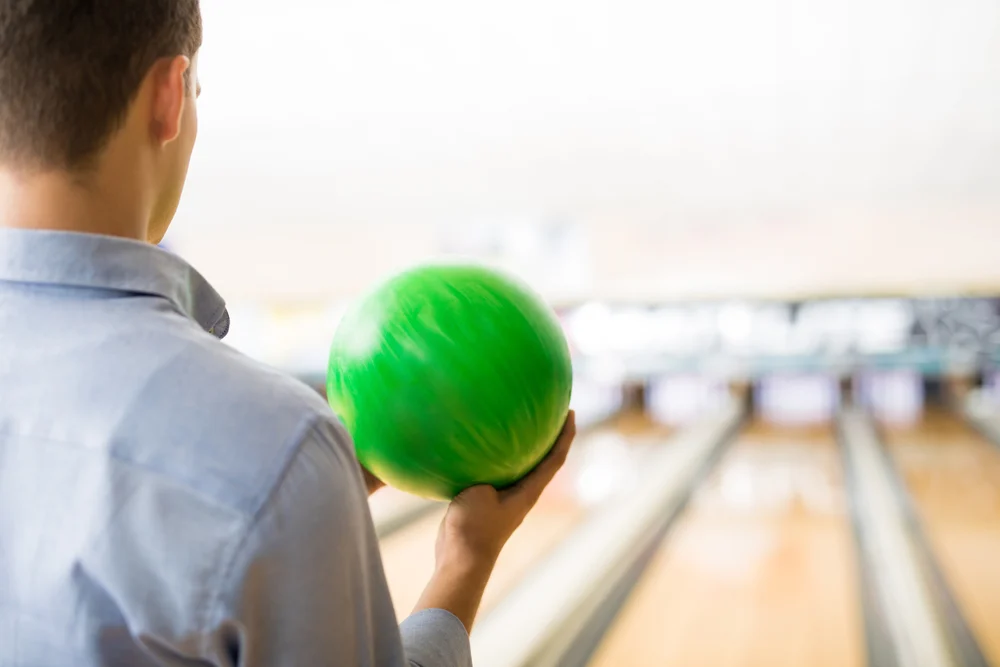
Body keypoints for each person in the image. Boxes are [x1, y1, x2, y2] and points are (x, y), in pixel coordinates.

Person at [0, 2, 576, 666]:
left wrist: (300, 497)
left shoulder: (280, 454)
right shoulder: (277, 443)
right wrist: (464, 565)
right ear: (168, 97)